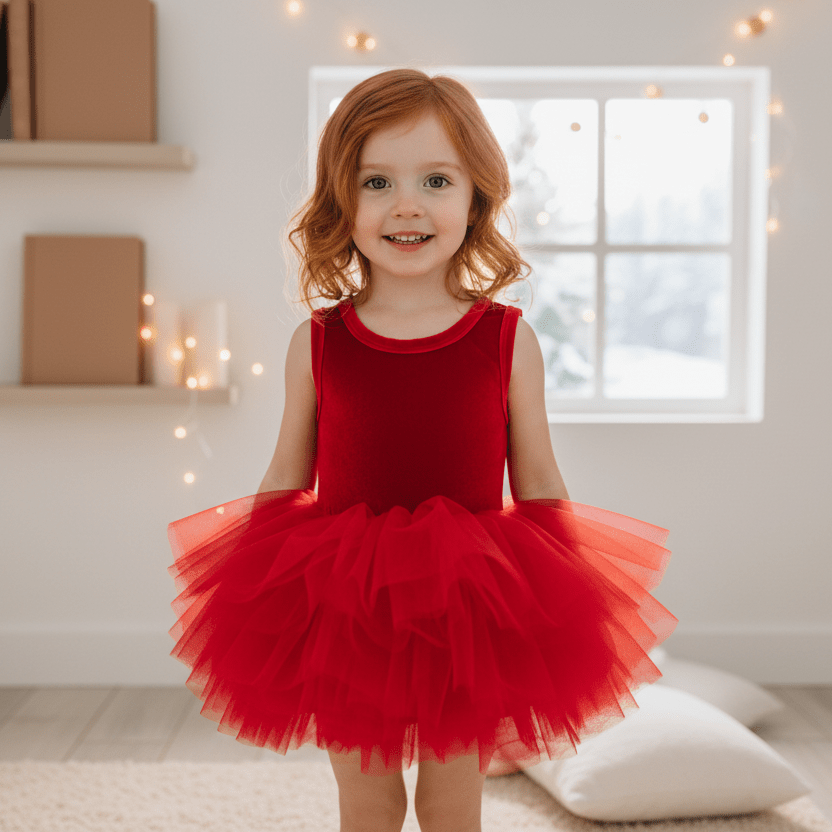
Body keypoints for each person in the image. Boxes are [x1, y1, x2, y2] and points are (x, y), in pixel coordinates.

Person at [167, 68, 678, 832]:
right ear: (343, 202)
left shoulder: (507, 339)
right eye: (377, 181)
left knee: (451, 802)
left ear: (475, 199)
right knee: (367, 802)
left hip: (468, 609)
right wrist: (254, 588)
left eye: (436, 179)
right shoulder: (319, 342)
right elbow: (286, 471)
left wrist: (563, 596)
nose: (406, 204)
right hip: (346, 607)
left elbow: (537, 479)